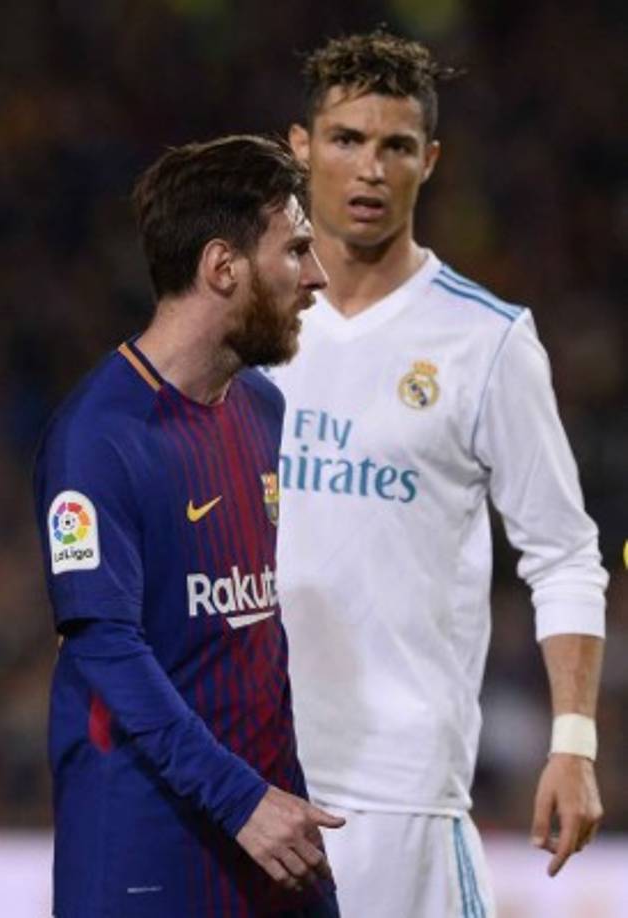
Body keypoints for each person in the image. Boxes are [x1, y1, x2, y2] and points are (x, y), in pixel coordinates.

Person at [269, 30, 608, 917]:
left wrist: (572, 742)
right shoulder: (244, 329)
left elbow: (563, 555)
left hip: (400, 793)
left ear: (430, 161)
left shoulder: (484, 340)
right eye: (346, 139)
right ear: (301, 147)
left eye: (395, 146)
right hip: (244, 776)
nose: (369, 169)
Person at [33, 135, 344, 918]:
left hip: (270, 835)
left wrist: (273, 796)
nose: (316, 275)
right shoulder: (98, 437)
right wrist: (239, 798)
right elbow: (105, 645)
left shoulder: (261, 408)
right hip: (146, 849)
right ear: (222, 266)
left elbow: (250, 635)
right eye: (295, 248)